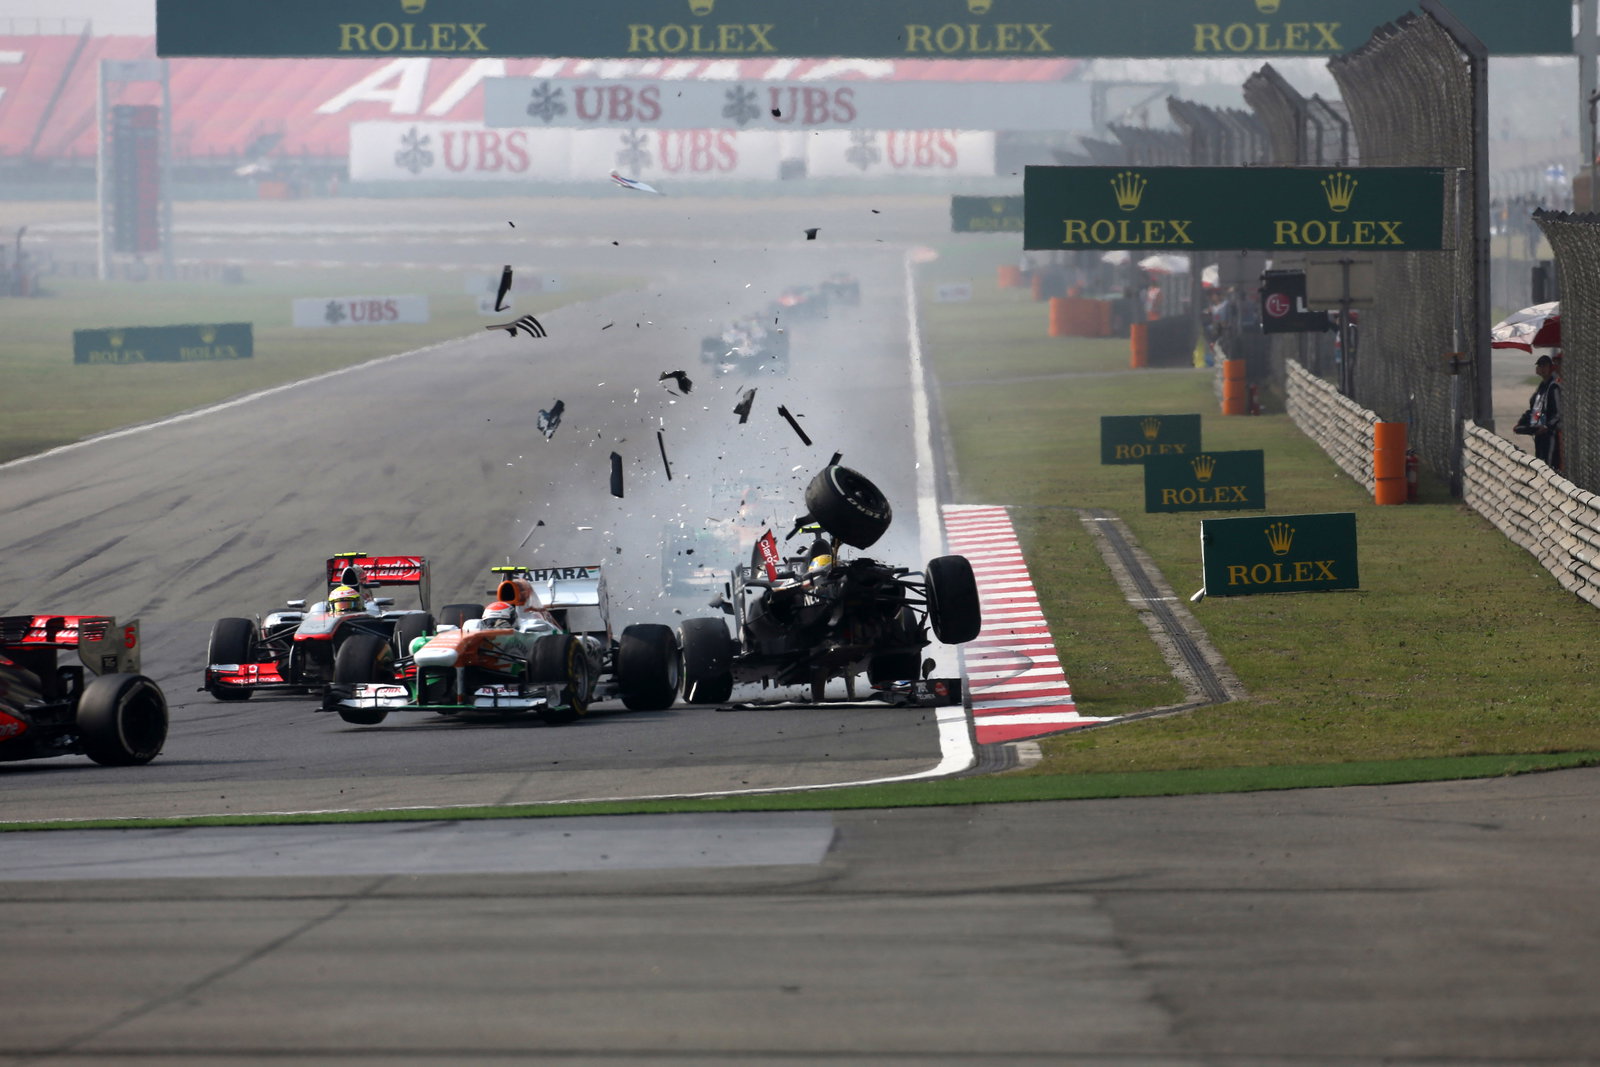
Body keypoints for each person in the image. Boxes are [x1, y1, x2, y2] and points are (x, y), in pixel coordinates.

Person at [1519, 353, 1562, 470]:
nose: (1542, 369)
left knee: (1550, 466)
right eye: (1540, 366)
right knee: (1540, 463)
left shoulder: (1553, 387)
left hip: (1550, 434)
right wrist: (1524, 423)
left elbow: (1559, 413)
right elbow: (1535, 409)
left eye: (1544, 366)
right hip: (1539, 433)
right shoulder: (1542, 386)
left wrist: (1547, 426)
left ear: (1550, 368)